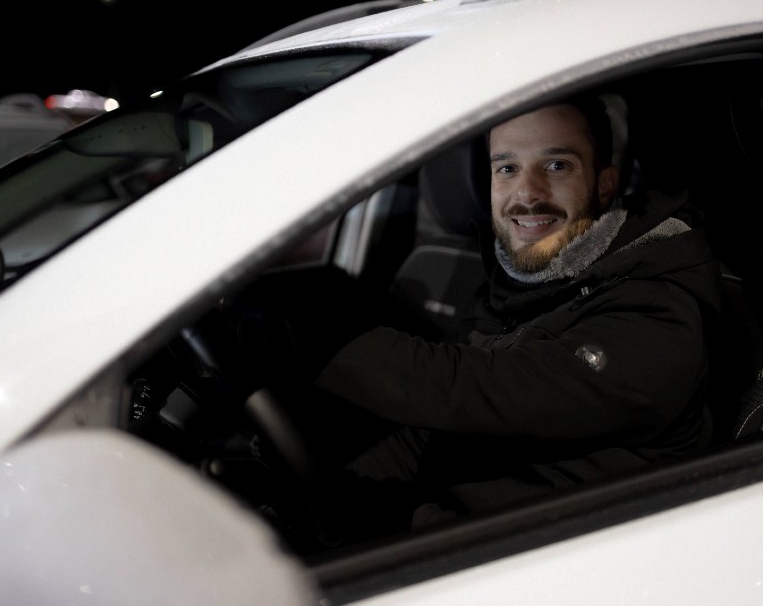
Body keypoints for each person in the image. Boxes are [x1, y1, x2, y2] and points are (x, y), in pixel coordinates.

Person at [303, 94, 723, 542]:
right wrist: (314, 502)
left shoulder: (656, 315)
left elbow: (470, 389)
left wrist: (302, 342)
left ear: (604, 185)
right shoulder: (527, 288)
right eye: (506, 168)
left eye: (557, 166)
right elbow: (431, 438)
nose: (528, 194)